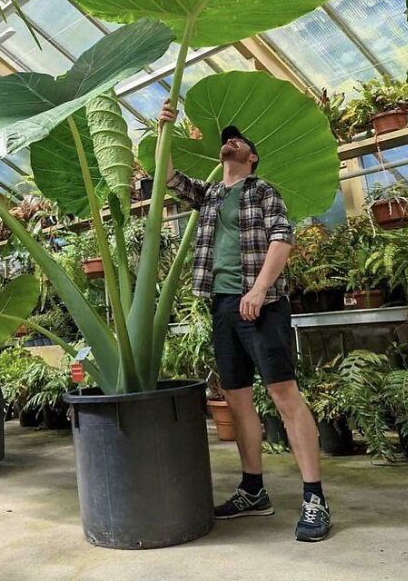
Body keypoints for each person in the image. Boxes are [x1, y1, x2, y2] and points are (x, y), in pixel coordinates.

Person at [158, 99, 331, 543]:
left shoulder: (262, 190)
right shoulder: (213, 194)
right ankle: (253, 490)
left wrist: (257, 289)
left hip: (262, 303)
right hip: (222, 305)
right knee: (236, 399)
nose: (229, 141)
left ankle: (314, 497)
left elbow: (281, 237)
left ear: (251, 156)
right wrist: (165, 128)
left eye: (238, 139)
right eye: (225, 140)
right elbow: (168, 176)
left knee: (283, 393)